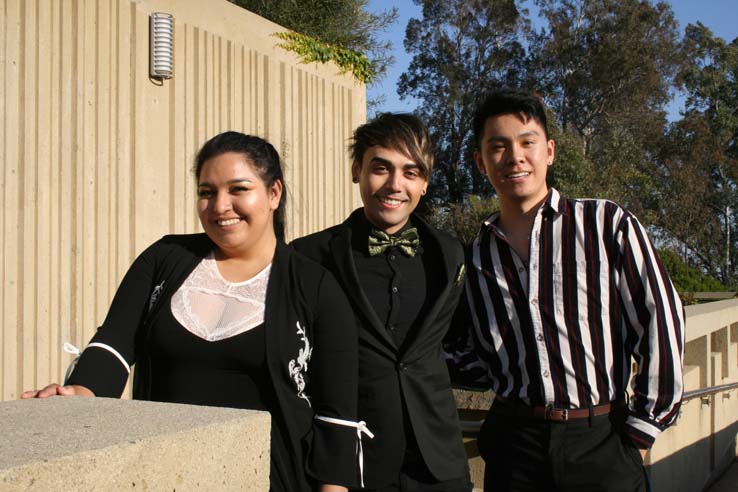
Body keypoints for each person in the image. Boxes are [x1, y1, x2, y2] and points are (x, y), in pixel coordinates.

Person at [21, 131, 366, 492]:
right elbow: (115, 342)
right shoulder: (164, 259)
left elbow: (336, 419)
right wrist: (82, 391)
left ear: (273, 193)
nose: (219, 206)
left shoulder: (316, 288)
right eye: (206, 192)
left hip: (271, 480)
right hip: (164, 474)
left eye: (238, 189)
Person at [449, 89, 684, 491]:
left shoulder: (606, 224)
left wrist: (641, 433)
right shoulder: (474, 257)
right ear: (480, 161)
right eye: (498, 147)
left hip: (601, 440)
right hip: (514, 446)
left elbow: (660, 319)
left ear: (550, 151)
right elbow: (465, 347)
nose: (515, 157)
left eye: (527, 142)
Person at [292, 113, 471, 492]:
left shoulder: (451, 254)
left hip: (440, 464)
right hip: (351, 465)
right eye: (381, 168)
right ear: (356, 169)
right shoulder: (308, 257)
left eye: (410, 172)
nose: (395, 184)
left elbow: (457, 338)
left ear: (425, 181)